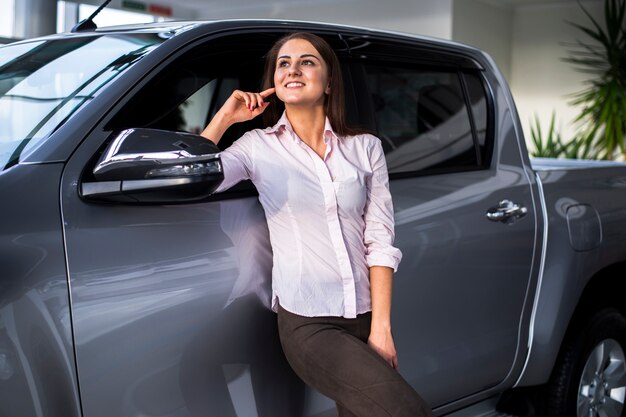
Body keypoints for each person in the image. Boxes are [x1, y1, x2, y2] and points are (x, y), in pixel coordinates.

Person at [201, 32, 433, 417]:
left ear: (329, 82)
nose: (293, 69)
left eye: (307, 61)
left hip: (364, 316)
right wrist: (226, 118)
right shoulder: (257, 146)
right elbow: (199, 179)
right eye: (283, 63)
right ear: (274, 80)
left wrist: (381, 328)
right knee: (407, 412)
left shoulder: (366, 147)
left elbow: (379, 240)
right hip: (310, 323)